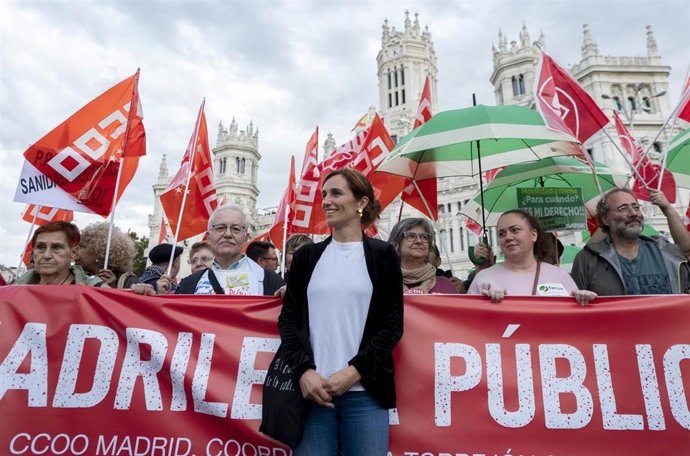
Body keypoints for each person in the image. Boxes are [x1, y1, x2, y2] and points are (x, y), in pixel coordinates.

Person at [273, 168, 403, 455]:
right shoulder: (307, 256)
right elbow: (289, 319)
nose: (327, 201)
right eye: (324, 195)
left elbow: (392, 323)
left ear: (361, 202)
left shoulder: (383, 255)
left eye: (336, 193)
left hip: (365, 393)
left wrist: (355, 371)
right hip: (312, 393)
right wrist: (304, 371)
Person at [142, 205, 284, 296]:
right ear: (209, 237)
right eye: (220, 228)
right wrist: (160, 299)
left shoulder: (272, 282)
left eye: (236, 229)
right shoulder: (188, 284)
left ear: (246, 236)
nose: (228, 234)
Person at [571, 187, 690, 295]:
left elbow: (687, 250)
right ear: (606, 219)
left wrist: (667, 208)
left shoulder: (663, 250)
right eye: (623, 209)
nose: (633, 213)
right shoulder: (587, 260)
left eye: (636, 207)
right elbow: (574, 305)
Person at [468, 210, 596, 304]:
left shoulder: (559, 275)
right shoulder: (484, 278)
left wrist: (586, 301)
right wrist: (487, 304)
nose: (508, 237)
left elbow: (577, 321)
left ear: (533, 235)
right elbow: (467, 323)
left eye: (515, 230)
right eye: (502, 234)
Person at [14, 221, 107, 287]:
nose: (46, 255)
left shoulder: (96, 290)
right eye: (41, 247)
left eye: (56, 248)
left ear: (73, 253)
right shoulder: (13, 289)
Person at [388, 217, 459, 294]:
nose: (419, 241)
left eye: (424, 237)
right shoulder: (383, 283)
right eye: (411, 236)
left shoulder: (445, 284)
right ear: (397, 244)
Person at [76, 222, 138, 288]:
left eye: (81, 246)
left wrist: (111, 291)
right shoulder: (74, 277)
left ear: (99, 252)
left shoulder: (129, 282)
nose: (75, 251)